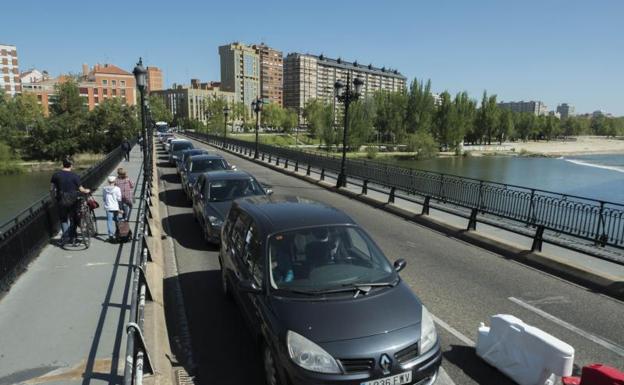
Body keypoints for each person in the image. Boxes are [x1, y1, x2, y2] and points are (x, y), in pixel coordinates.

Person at [50, 158, 90, 244]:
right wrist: (87, 190)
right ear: (71, 165)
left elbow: (52, 189)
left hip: (61, 199)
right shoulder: (75, 176)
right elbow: (81, 189)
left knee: (63, 219)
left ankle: (66, 236)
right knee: (73, 218)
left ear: (62, 165)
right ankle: (73, 236)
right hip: (73, 200)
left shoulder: (56, 175)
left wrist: (53, 200)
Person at [102, 175, 122, 242]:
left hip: (108, 206)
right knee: (116, 219)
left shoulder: (104, 188)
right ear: (114, 181)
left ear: (108, 181)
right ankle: (118, 232)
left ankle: (110, 235)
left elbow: (104, 198)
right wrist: (120, 208)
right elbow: (119, 198)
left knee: (109, 221)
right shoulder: (117, 189)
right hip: (115, 206)